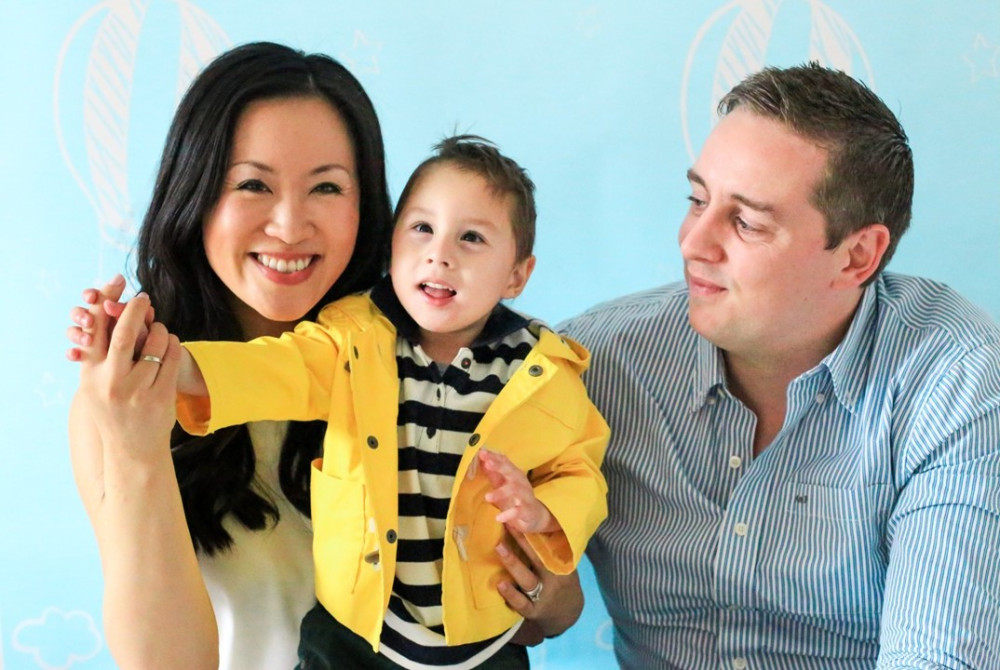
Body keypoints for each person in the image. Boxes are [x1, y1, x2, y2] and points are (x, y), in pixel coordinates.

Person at [65, 44, 577, 670]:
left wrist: (536, 582)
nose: (289, 225)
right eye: (253, 184)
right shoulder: (126, 399)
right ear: (196, 194)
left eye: (327, 187)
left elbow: (555, 608)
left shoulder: (443, 363)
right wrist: (137, 443)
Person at [551, 63, 1000, 668]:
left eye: (747, 222)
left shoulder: (956, 380)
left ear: (856, 256)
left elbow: (939, 657)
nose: (693, 243)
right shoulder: (593, 363)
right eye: (697, 200)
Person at [161, 135, 610, 669]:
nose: (439, 254)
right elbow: (278, 367)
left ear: (517, 274)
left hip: (482, 636)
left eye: (471, 238)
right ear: (393, 244)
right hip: (359, 626)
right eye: (421, 228)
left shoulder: (543, 371)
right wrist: (178, 365)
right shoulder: (354, 336)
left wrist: (543, 511)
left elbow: (580, 470)